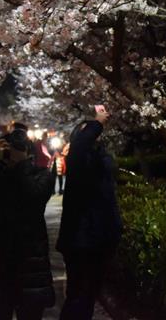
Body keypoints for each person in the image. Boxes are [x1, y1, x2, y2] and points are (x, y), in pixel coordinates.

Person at [0, 127, 56, 320]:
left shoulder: (42, 175)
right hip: (1, 256)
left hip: (31, 257)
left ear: (29, 152)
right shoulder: (1, 172)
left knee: (30, 312)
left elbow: (33, 196)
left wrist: (20, 164)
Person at [57, 104, 122, 320]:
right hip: (80, 239)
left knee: (88, 296)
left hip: (98, 238)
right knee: (78, 295)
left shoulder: (98, 160)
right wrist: (97, 122)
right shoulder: (76, 159)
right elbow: (81, 145)